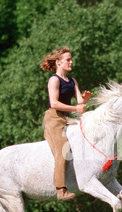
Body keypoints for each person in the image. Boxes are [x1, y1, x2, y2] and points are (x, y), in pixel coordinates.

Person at [40, 47, 93, 201]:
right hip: (53, 119)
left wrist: (85, 99)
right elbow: (54, 103)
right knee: (63, 148)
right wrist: (76, 108)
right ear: (58, 63)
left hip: (67, 118)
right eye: (68, 60)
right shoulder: (54, 80)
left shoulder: (72, 81)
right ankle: (60, 189)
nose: (71, 62)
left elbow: (80, 102)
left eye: (71, 59)